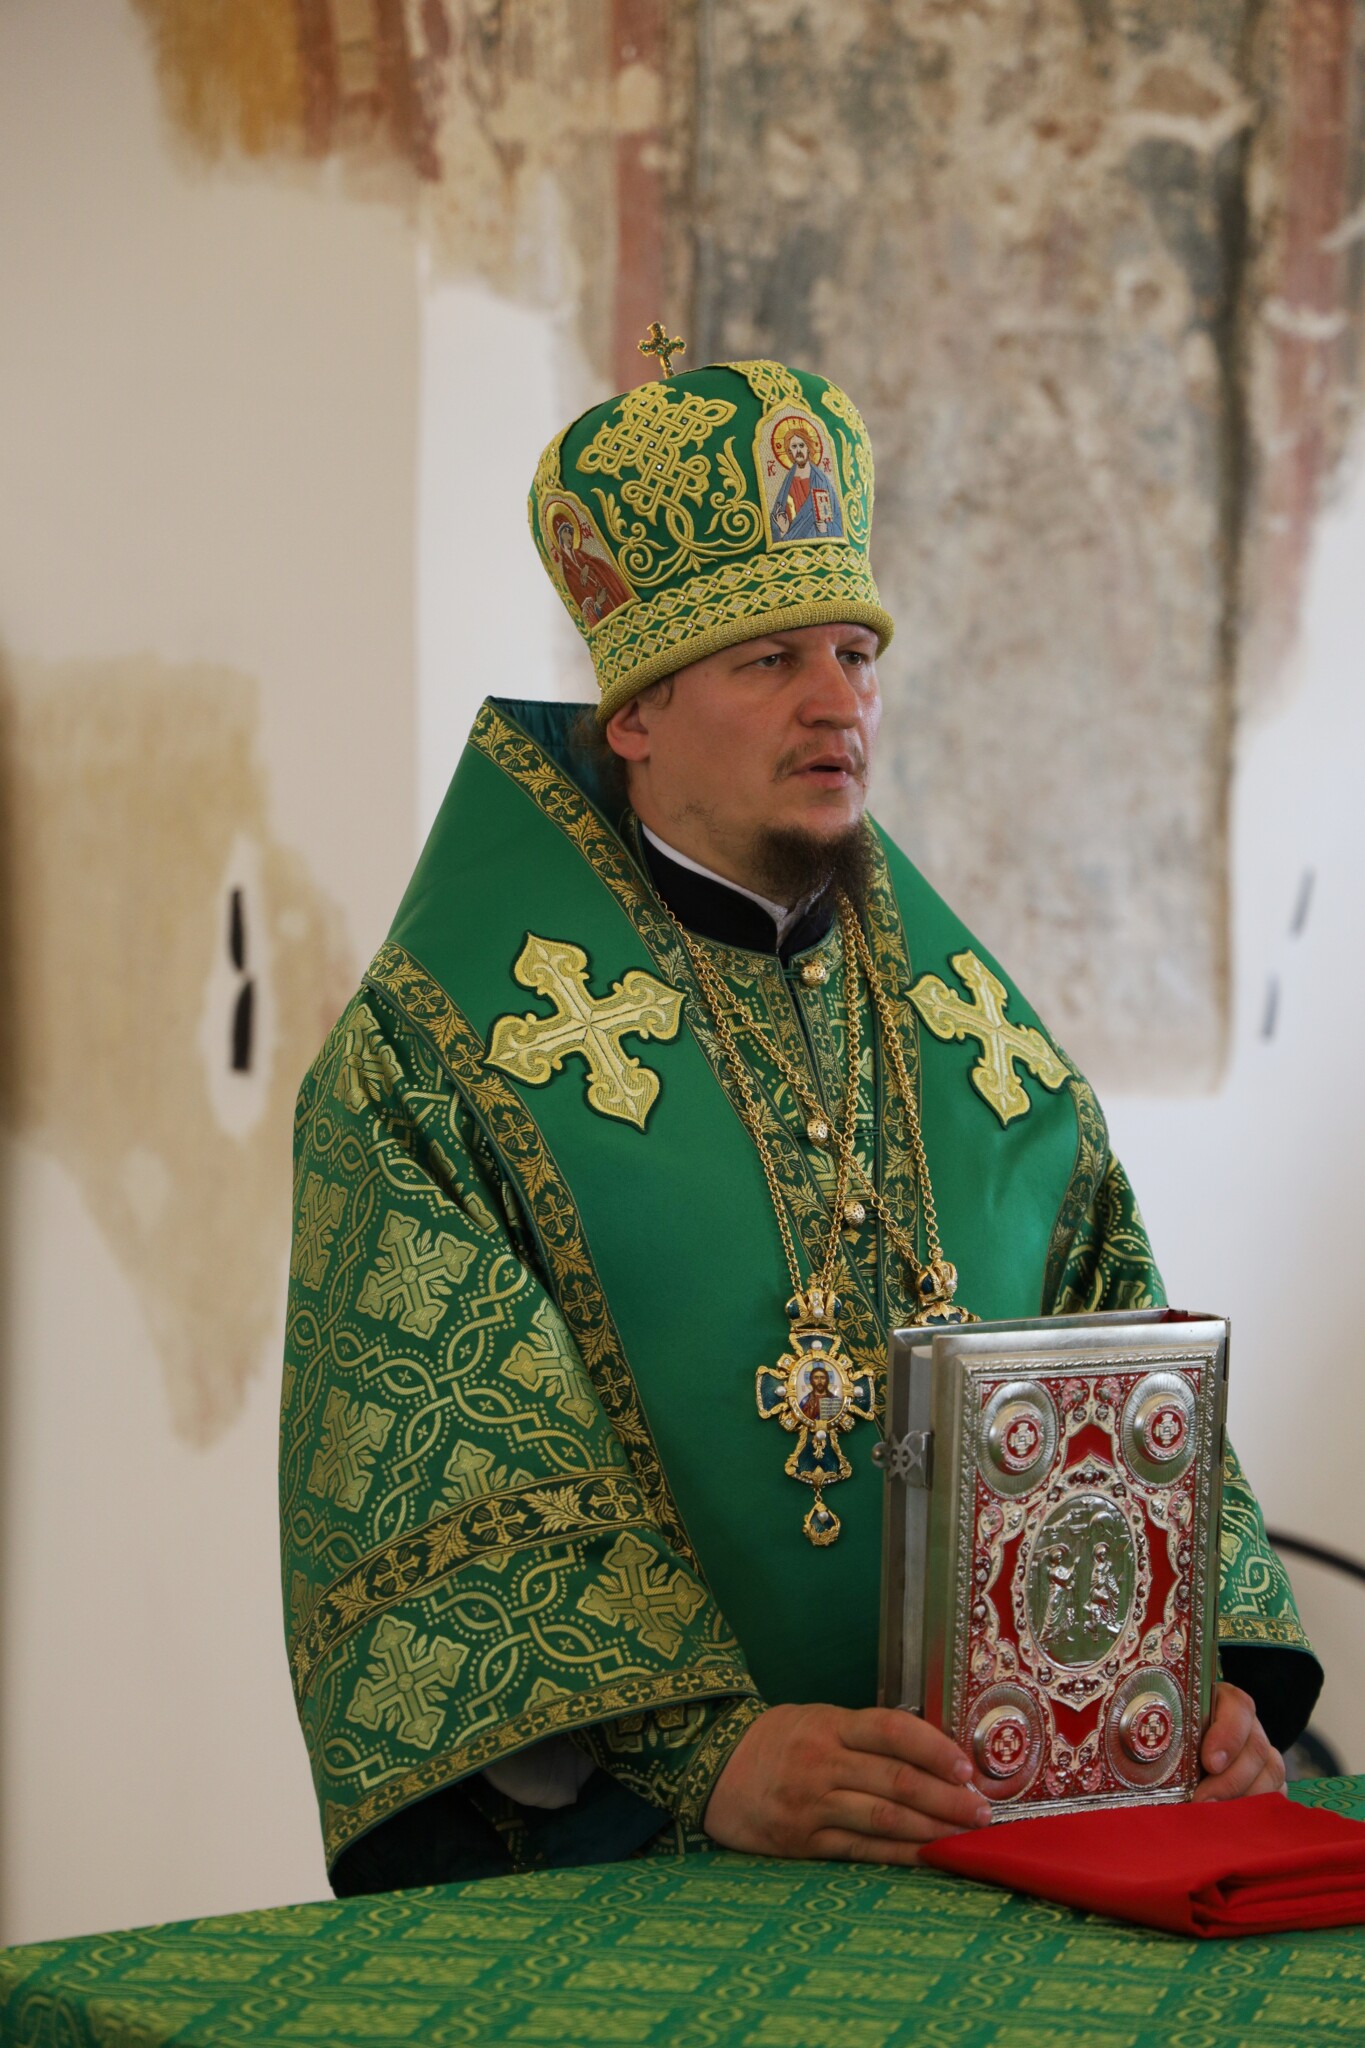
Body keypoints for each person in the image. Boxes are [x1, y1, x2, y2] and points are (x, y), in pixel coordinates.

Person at [281, 347, 1320, 1897]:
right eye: (768, 660)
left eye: (853, 652)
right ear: (635, 715)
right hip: (667, 1874)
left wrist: (1195, 1679)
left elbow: (1121, 1368)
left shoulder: (986, 1053)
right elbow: (445, 1475)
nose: (837, 702)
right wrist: (713, 1761)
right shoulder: (441, 1057)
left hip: (1020, 1840)